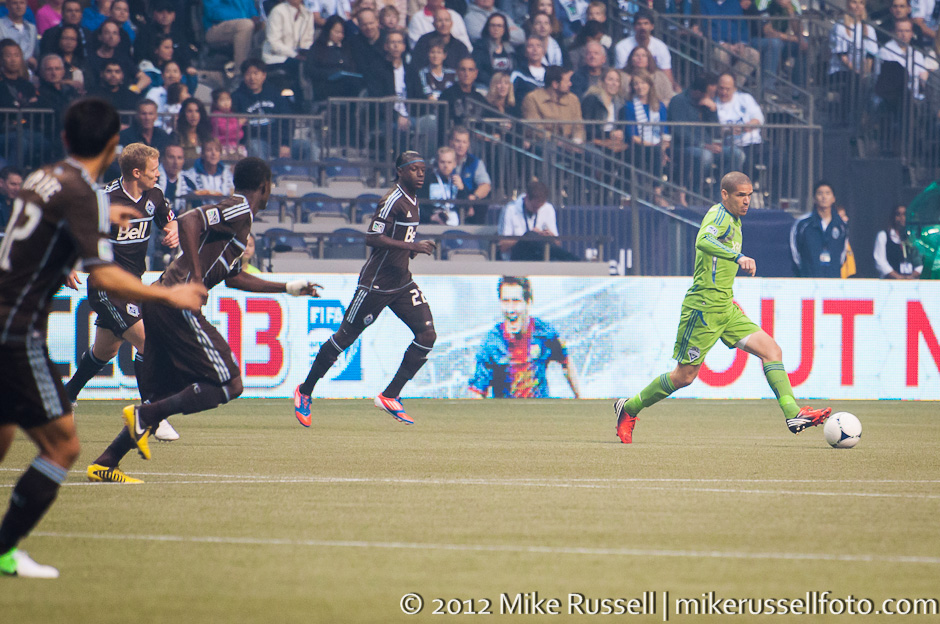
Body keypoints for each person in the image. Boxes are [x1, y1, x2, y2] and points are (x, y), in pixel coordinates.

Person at [0, 97, 205, 578]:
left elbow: (36, 234)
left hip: (9, 314)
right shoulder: (89, 194)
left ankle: (76, 396)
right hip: (17, 327)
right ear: (114, 148)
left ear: (65, 138)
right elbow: (104, 271)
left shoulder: (42, 178)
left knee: (96, 356)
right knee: (63, 447)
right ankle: (153, 413)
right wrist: (169, 296)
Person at [90, 157, 320, 479]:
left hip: (161, 301)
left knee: (162, 395)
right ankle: (145, 417)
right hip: (175, 303)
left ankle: (105, 462)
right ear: (264, 186)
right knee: (229, 383)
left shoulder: (239, 222)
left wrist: (288, 288)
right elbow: (188, 221)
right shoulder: (240, 208)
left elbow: (235, 278)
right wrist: (197, 279)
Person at [613, 172, 832, 444]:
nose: (747, 201)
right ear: (725, 194)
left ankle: (792, 414)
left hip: (725, 308)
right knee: (684, 376)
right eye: (741, 195)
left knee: (772, 351)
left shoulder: (735, 220)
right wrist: (737, 256)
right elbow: (702, 240)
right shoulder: (719, 216)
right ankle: (629, 408)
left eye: (749, 195)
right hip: (703, 309)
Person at [294, 151, 437, 427]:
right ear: (400, 171)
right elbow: (372, 237)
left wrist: (409, 251)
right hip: (376, 284)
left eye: (423, 169)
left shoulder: (413, 200)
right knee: (344, 339)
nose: (420, 174)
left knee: (427, 335)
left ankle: (390, 396)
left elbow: (398, 236)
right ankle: (305, 390)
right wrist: (412, 246)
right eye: (414, 169)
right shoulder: (392, 200)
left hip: (402, 282)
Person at [65, 143, 181, 444]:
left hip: (133, 285)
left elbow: (170, 219)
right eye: (154, 170)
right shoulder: (104, 200)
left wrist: (173, 229)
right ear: (136, 172)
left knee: (104, 351)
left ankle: (65, 398)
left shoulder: (154, 196)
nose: (158, 174)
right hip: (106, 286)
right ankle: (152, 414)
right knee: (148, 341)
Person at [468, 276, 579, 398]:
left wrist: (580, 398)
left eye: (516, 301)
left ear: (528, 303)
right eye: (505, 301)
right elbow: (476, 392)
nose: (510, 310)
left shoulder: (544, 333)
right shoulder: (491, 344)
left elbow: (566, 361)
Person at [498, 178, 576, 260]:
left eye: (539, 208)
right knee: (530, 235)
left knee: (540, 242)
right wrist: (527, 238)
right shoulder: (510, 209)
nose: (536, 210)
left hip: (540, 256)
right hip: (517, 257)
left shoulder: (548, 208)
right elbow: (503, 246)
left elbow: (557, 244)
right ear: (526, 198)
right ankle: (573, 259)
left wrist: (550, 237)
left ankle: (571, 260)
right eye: (534, 207)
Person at [789, 181, 848, 278]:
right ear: (814, 199)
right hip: (808, 278)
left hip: (833, 279)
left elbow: (843, 253)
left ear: (833, 198)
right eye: (820, 193)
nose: (824, 197)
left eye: (827, 193)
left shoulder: (841, 225)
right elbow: (795, 252)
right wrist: (805, 270)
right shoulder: (802, 224)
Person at [521, 65, 585, 144]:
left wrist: (576, 141)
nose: (570, 84)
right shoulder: (532, 98)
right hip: (544, 143)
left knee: (592, 151)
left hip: (571, 143)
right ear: (555, 84)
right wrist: (557, 141)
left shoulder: (573, 99)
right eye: (567, 82)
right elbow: (535, 128)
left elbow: (578, 126)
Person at [613, 9, 675, 89]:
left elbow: (667, 74)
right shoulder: (621, 46)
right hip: (629, 84)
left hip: (654, 84)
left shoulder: (661, 47)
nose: (643, 27)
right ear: (634, 27)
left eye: (646, 23)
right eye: (639, 24)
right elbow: (620, 74)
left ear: (652, 26)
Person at [203, 0, 260, 76]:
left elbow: (251, 7)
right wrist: (243, 18)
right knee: (245, 25)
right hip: (215, 28)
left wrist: (254, 16)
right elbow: (212, 12)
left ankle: (266, 70)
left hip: (244, 24)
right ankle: (240, 73)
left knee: (265, 25)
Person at [417, 145, 465, 224]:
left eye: (449, 162)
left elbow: (466, 207)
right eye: (442, 162)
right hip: (431, 224)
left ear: (455, 164)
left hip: (454, 223)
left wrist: (461, 189)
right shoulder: (427, 180)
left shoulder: (457, 180)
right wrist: (430, 217)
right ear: (437, 162)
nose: (446, 166)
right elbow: (419, 203)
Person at [874, 204, 923, 278]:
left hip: (911, 281)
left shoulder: (913, 237)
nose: (902, 218)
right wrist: (897, 276)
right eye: (898, 214)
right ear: (893, 217)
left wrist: (912, 276)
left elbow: (921, 262)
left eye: (905, 214)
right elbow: (880, 261)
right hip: (889, 281)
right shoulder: (884, 235)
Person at [472, 12, 515, 85]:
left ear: (504, 29)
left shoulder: (510, 49)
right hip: (485, 86)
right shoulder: (479, 46)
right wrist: (495, 83)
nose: (496, 29)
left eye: (499, 26)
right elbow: (478, 71)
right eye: (493, 25)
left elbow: (514, 69)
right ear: (488, 27)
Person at [156, 143, 197, 215]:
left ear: (183, 160)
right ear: (163, 159)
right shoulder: (154, 180)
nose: (176, 162)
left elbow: (197, 207)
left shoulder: (188, 183)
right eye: (171, 157)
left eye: (179, 158)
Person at [171, 97, 213, 167]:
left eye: (197, 111)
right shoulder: (176, 136)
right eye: (190, 111)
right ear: (184, 113)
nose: (194, 115)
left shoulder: (206, 136)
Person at [0, 0, 37, 71]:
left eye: (22, 3)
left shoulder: (32, 28)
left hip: (27, 72)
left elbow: (35, 53)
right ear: (7, 5)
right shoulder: (0, 26)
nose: (19, 6)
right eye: (15, 3)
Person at [0, 165, 23, 230]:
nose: (17, 188)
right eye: (13, 184)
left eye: (19, 185)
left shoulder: (19, 204)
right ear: (1, 182)